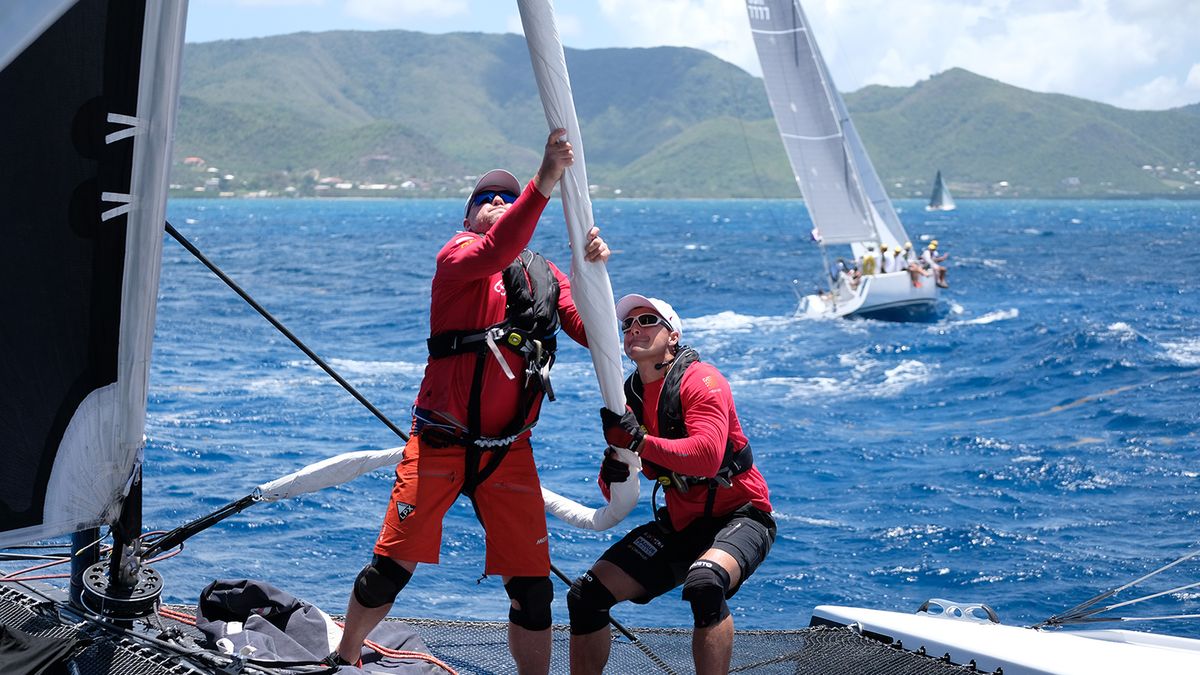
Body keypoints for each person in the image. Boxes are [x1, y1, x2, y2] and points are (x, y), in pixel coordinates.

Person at [328, 129, 610, 674]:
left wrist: (592, 271)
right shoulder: (458, 257)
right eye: (486, 199)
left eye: (507, 197)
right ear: (468, 217)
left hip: (508, 451)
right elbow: (498, 248)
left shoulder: (544, 274)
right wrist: (544, 180)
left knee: (533, 590)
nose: (498, 203)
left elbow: (587, 327)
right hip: (441, 441)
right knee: (390, 568)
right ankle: (345, 657)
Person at [568, 295, 775, 675]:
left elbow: (707, 456)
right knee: (586, 596)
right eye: (628, 325)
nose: (634, 329)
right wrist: (611, 472)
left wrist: (639, 443)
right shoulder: (627, 397)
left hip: (742, 516)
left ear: (673, 335)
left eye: (647, 320)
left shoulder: (703, 381)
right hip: (681, 523)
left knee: (705, 584)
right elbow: (616, 482)